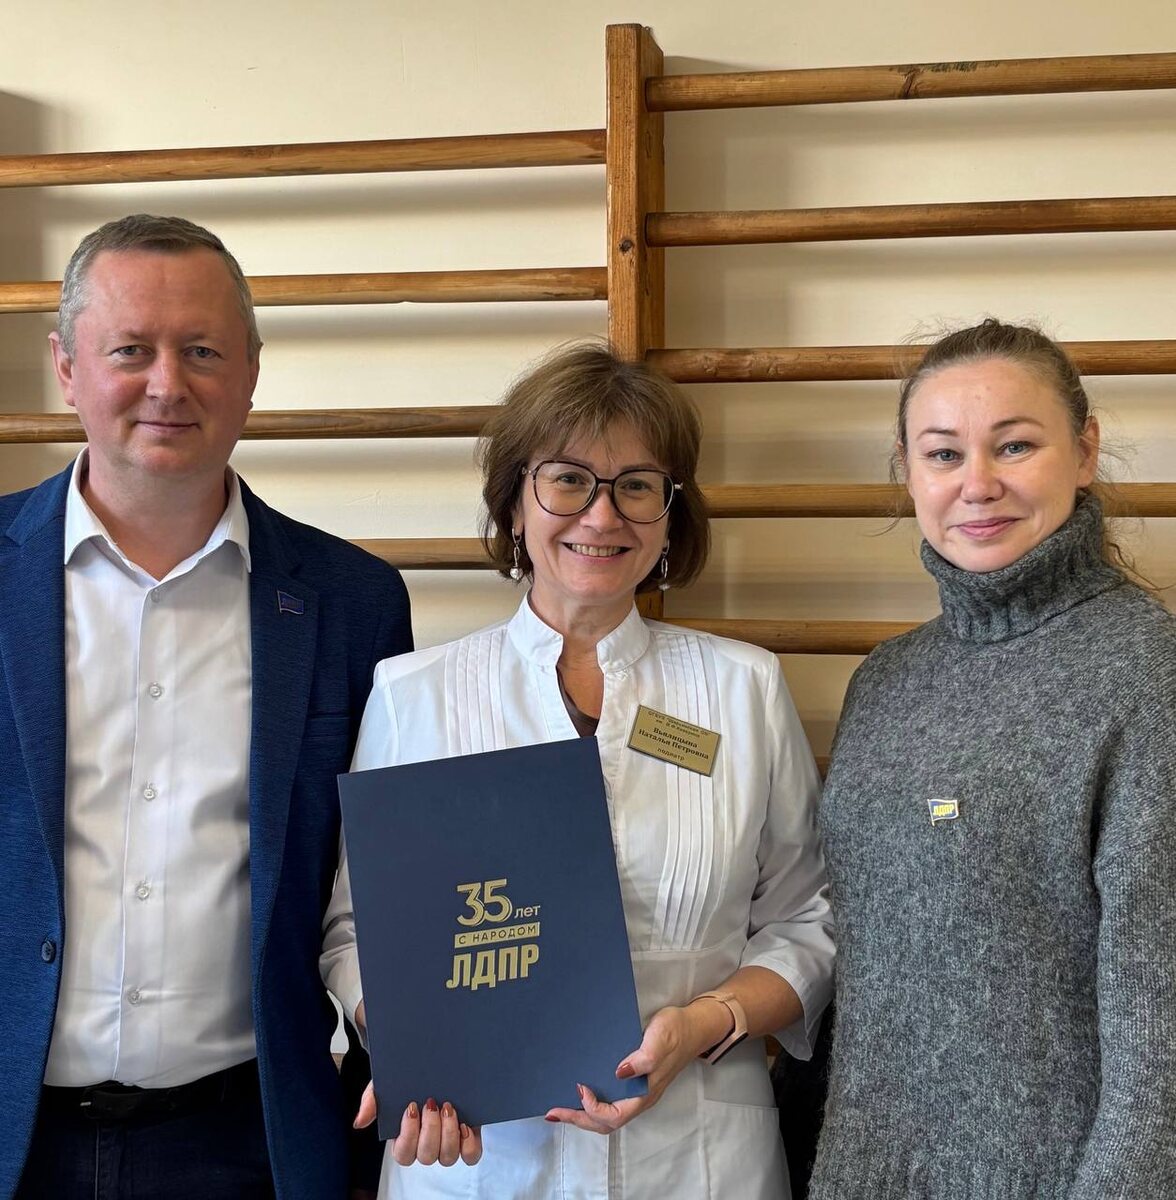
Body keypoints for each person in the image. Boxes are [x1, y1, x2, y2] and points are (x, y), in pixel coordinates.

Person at [320, 342, 835, 1198]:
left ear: (670, 515)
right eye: (567, 480)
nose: (602, 516)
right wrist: (422, 1049)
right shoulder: (413, 695)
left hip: (699, 1159)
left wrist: (707, 1021)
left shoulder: (742, 688)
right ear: (514, 503)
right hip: (479, 1160)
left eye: (636, 485)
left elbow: (807, 918)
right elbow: (354, 931)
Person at [0, 214, 412, 1200]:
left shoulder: (354, 605)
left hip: (249, 1145)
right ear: (66, 367)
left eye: (202, 351)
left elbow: (383, 887)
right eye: (130, 351)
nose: (167, 384)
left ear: (253, 371)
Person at [808, 319, 1176, 1197]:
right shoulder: (885, 680)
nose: (977, 484)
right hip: (864, 1171)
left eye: (1014, 445)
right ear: (908, 472)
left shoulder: (1148, 676)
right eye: (944, 454)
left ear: (1084, 452)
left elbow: (1160, 1029)